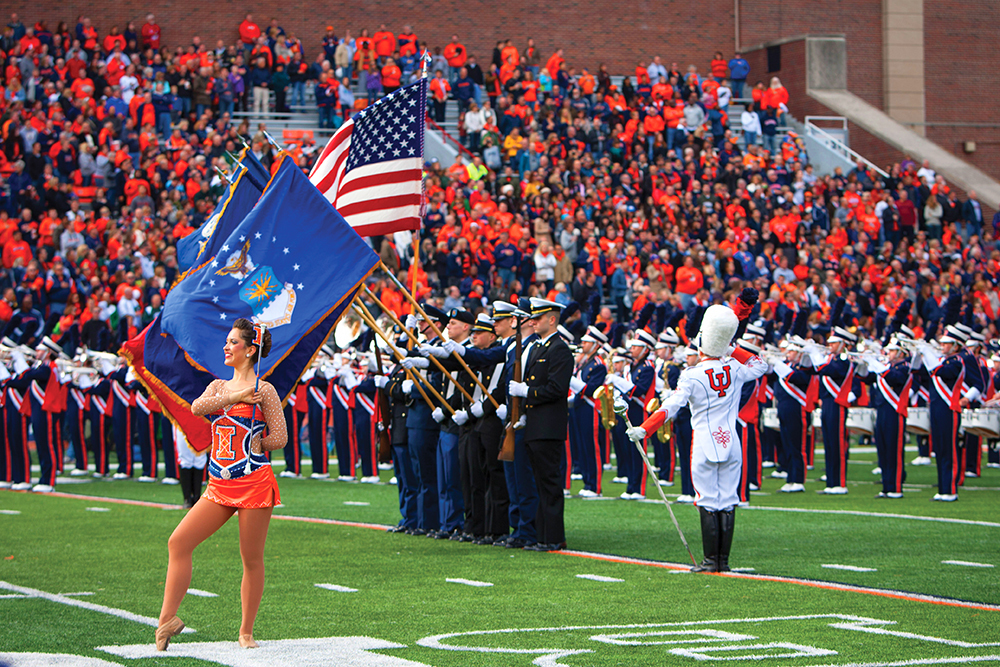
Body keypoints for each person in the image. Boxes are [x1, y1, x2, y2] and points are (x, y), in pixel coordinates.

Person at [156, 318, 286, 651]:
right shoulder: (217, 387)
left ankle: (246, 631)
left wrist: (258, 442)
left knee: (251, 558)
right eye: (227, 342)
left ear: (250, 349)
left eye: (233, 342)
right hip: (219, 483)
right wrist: (240, 394)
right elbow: (198, 407)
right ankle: (168, 619)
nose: (226, 347)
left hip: (254, 481)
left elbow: (281, 437)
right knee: (178, 542)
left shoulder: (266, 390)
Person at [627, 301, 768, 573]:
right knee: (728, 499)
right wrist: (730, 347)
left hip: (704, 441)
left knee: (706, 498)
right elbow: (759, 365)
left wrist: (645, 428)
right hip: (731, 439)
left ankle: (710, 560)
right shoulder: (736, 369)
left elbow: (671, 406)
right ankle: (723, 561)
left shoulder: (691, 375)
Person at [508, 297, 572, 551]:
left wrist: (527, 392)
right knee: (540, 483)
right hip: (535, 424)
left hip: (548, 427)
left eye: (538, 318)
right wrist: (523, 412)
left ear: (552, 319)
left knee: (550, 484)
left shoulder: (559, 349)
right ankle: (542, 536)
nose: (532, 322)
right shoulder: (537, 348)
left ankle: (554, 537)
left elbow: (557, 389)